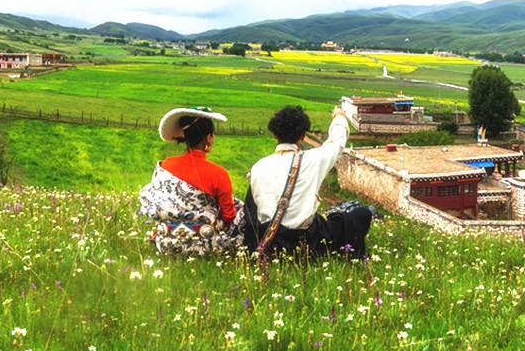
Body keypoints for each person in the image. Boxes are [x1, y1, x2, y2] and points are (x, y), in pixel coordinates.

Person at [244, 105, 372, 259]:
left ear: (275, 135)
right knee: (361, 214)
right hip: (307, 243)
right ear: (303, 135)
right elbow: (336, 143)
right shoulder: (313, 160)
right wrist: (339, 116)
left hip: (269, 243)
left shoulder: (259, 167)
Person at [139, 106, 244, 256]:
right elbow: (229, 216)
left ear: (185, 137)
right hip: (206, 246)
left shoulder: (165, 165)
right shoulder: (218, 173)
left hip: (166, 244)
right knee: (241, 209)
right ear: (209, 138)